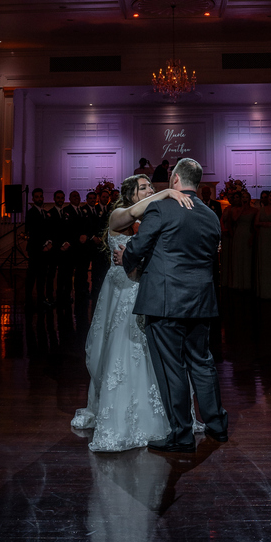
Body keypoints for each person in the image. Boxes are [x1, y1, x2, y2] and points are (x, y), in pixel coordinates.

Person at [71, 174, 194, 452]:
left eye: (152, 187)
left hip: (146, 288)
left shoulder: (150, 221)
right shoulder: (118, 215)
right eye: (144, 187)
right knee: (123, 347)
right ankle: (122, 417)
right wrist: (167, 193)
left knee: (151, 350)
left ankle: (161, 414)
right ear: (130, 194)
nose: (150, 190)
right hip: (122, 291)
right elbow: (133, 214)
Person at [115, 157, 228, 453]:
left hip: (165, 301)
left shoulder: (161, 208)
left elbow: (139, 246)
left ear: (175, 179)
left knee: (171, 368)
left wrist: (126, 258)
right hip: (201, 300)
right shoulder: (211, 215)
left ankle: (181, 435)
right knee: (202, 363)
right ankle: (217, 425)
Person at [24, 188, 53, 308]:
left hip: (44, 249)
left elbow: (48, 230)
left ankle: (41, 299)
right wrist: (43, 245)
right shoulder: (31, 213)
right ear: (33, 199)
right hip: (35, 249)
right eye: (37, 197)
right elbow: (33, 232)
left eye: (41, 196)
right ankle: (29, 300)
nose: (39, 198)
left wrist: (49, 242)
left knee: (42, 276)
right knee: (32, 276)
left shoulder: (44, 212)